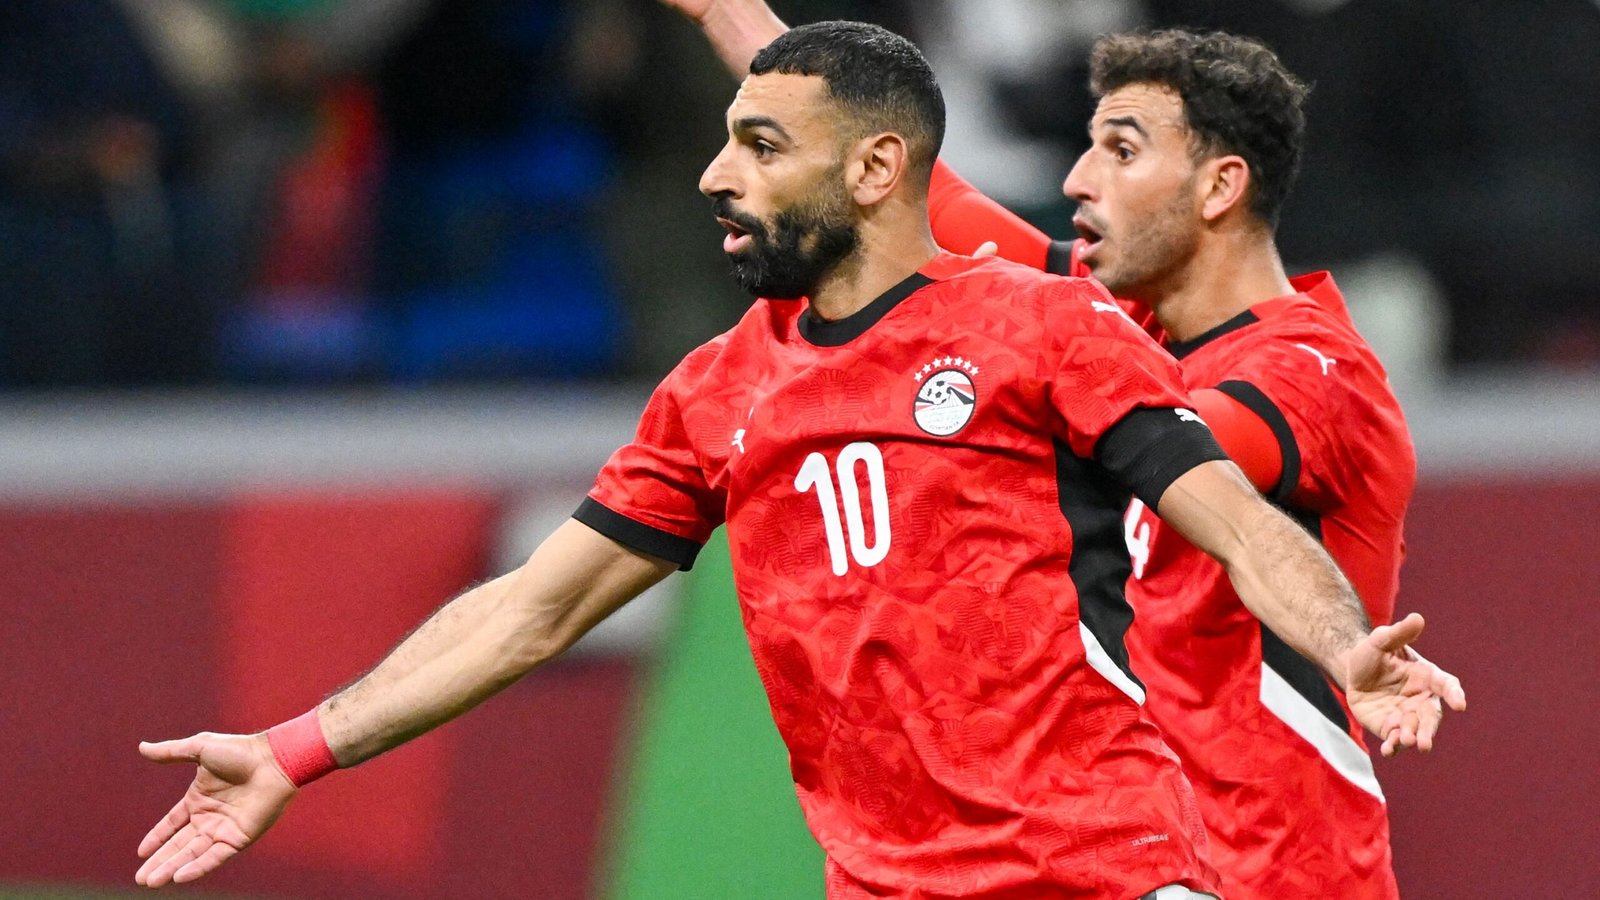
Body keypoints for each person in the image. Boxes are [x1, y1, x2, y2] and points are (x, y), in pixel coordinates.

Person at [137, 21, 1464, 900]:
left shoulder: (1042, 327)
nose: (719, 177)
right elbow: (532, 610)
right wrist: (300, 748)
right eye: (723, 142)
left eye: (760, 148)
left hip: (1102, 876)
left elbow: (1233, 521)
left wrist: (1344, 644)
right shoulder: (718, 391)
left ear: (879, 169)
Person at [662, 2, 1430, 896]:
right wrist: (727, 12)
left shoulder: (1312, 368)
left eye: (1121, 151)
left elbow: (1152, 437)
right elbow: (932, 195)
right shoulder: (1096, 330)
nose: (1076, 180)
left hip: (1281, 876)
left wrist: (951, 387)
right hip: (1133, 866)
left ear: (1219, 189)